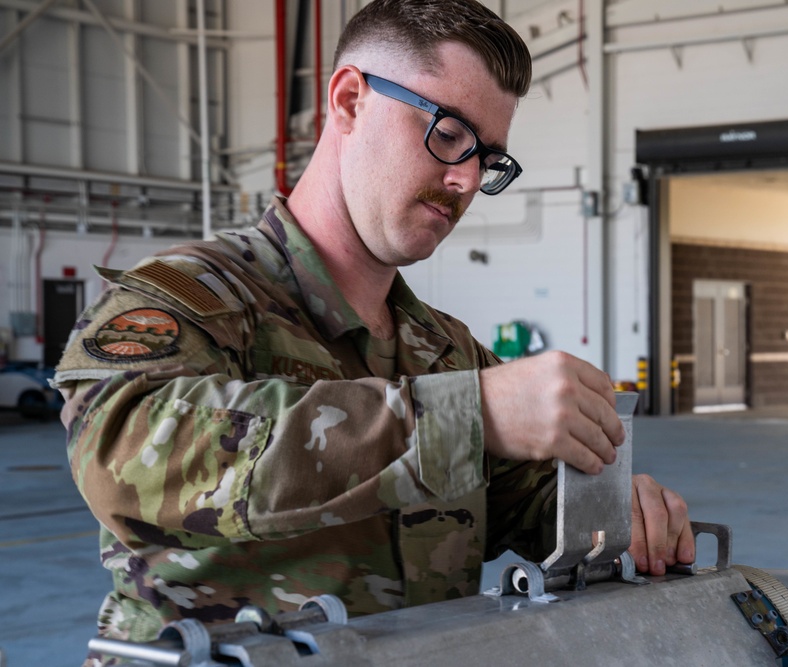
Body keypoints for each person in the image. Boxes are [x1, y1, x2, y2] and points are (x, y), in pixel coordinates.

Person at [54, 0, 695, 652]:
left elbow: (522, 502)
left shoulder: (444, 350)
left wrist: (613, 509)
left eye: (489, 159)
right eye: (448, 133)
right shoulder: (195, 301)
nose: (467, 178)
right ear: (350, 101)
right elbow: (121, 453)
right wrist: (468, 414)